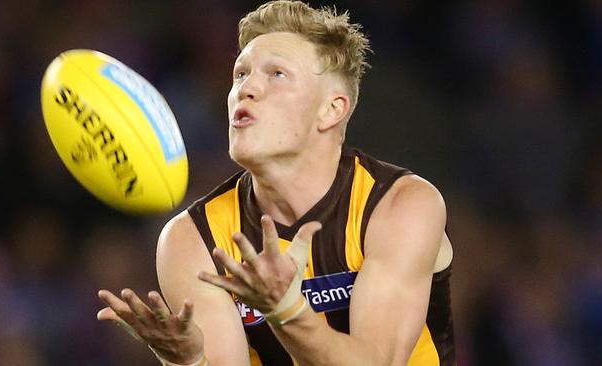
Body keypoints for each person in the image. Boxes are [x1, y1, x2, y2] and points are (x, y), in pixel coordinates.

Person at [97, 1, 455, 365]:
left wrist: (285, 309)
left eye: (277, 74)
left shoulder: (401, 205)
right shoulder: (192, 239)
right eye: (240, 74)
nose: (246, 88)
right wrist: (190, 362)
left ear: (332, 109)